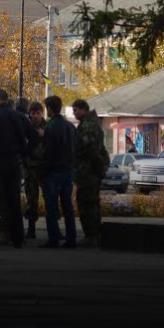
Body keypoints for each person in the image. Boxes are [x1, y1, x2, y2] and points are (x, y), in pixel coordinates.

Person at [0, 89, 36, 249]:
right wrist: (22, 153)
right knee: (14, 201)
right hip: (14, 162)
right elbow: (34, 137)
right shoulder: (19, 116)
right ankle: (18, 238)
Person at [39, 96, 76, 249]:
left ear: (49, 108)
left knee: (52, 207)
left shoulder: (51, 127)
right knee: (68, 207)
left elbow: (48, 153)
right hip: (68, 170)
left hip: (54, 172)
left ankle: (53, 239)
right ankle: (71, 239)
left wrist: (42, 174)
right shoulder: (70, 126)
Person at [72, 99, 108, 248]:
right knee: (92, 202)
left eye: (75, 110)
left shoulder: (87, 126)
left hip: (87, 171)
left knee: (86, 203)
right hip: (90, 170)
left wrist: (98, 167)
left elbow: (89, 149)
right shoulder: (93, 124)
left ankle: (91, 235)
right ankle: (95, 234)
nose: (74, 114)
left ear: (83, 110)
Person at [23, 101, 47, 240]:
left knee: (50, 199)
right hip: (30, 169)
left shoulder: (48, 128)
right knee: (31, 199)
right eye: (33, 113)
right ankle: (31, 228)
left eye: (38, 113)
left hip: (44, 168)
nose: (35, 116)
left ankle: (54, 229)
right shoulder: (26, 128)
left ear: (42, 114)